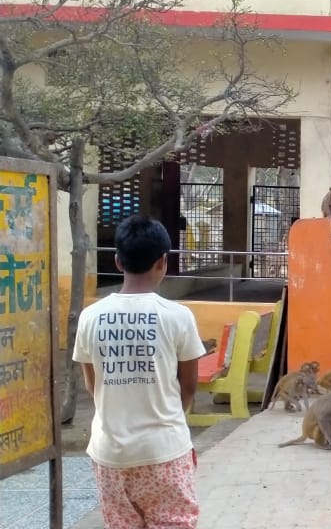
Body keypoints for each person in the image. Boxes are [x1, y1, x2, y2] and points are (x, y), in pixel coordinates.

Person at [73, 215, 204, 529]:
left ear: (118, 261)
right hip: (165, 453)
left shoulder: (90, 317)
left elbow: (93, 387)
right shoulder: (178, 317)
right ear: (163, 262)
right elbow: (189, 388)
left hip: (109, 456)